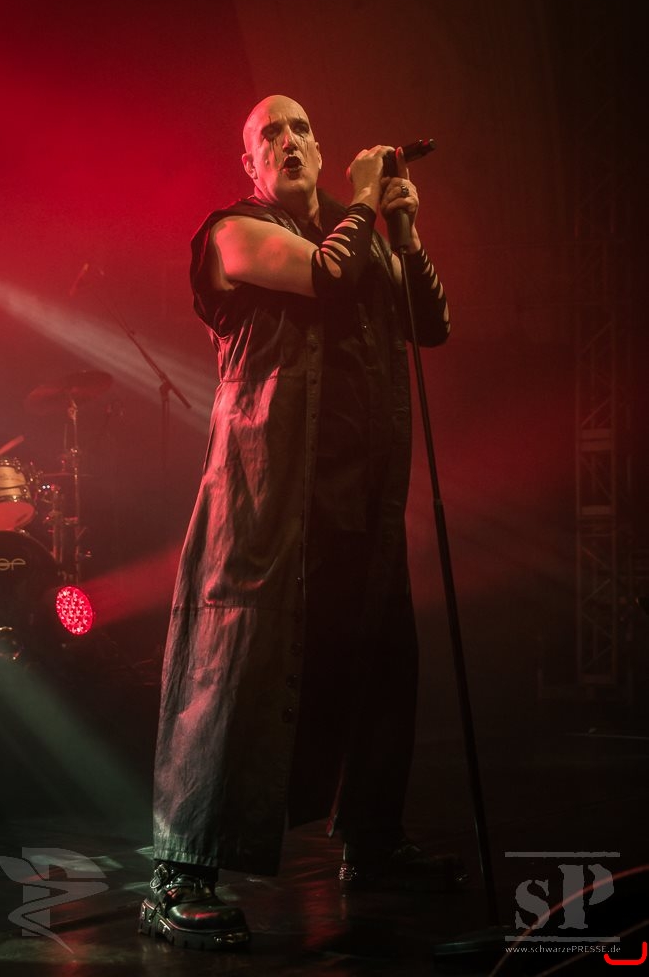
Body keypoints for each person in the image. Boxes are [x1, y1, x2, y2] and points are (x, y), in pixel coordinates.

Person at [139, 95, 456, 951]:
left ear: (318, 149)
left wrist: (404, 233)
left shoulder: (359, 237)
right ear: (248, 164)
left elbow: (430, 324)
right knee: (231, 671)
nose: (288, 141)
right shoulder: (234, 233)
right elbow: (322, 275)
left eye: (300, 128)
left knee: (383, 664)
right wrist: (365, 202)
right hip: (265, 499)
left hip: (358, 497)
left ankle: (373, 844)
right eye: (268, 134)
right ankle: (179, 874)